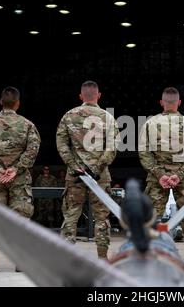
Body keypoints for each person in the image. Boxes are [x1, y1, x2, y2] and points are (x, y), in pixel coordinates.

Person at [0, 86, 40, 271]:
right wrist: (16, 169)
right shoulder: (28, 125)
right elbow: (33, 149)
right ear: (18, 103)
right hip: (19, 179)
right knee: (20, 217)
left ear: (0, 102)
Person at [138, 87, 184, 265]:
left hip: (156, 178)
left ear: (162, 103)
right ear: (179, 103)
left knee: (151, 217)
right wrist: (180, 174)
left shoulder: (150, 124)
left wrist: (160, 174)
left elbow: (144, 153)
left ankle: (148, 258)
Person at [56, 81, 119, 259]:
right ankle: (102, 258)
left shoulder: (68, 116)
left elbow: (61, 144)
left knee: (71, 215)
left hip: (75, 175)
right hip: (100, 176)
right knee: (101, 218)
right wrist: (97, 167)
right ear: (99, 96)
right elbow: (112, 147)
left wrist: (73, 164)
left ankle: (66, 258)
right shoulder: (107, 117)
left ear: (80, 96)